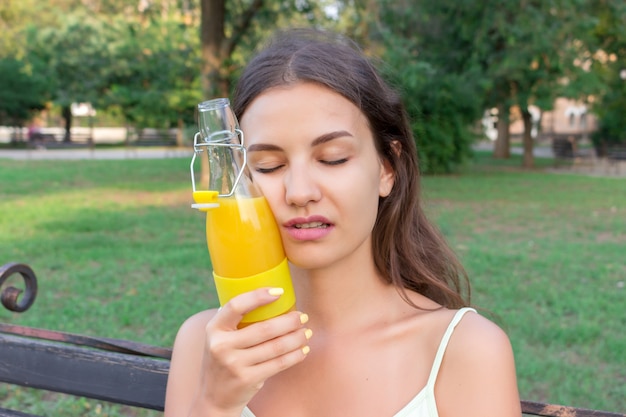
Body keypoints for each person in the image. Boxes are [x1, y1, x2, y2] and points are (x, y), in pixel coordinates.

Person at [165, 28, 521, 417]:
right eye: (269, 165)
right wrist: (214, 404)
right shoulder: (206, 345)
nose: (299, 192)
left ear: (388, 168)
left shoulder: (466, 350)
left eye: (333, 158)